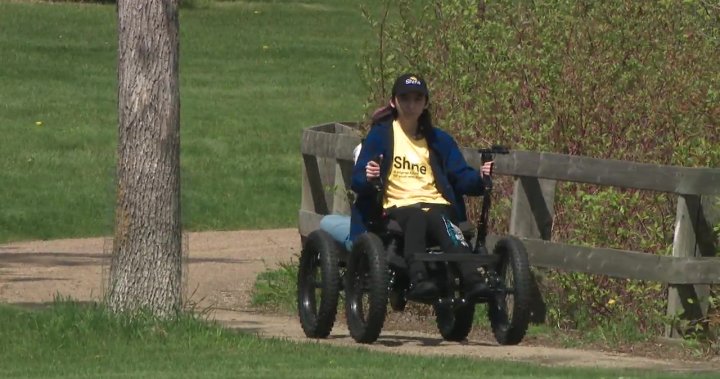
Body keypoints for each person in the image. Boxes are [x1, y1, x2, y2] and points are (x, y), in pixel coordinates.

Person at [350, 73, 493, 301]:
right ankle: (419, 279)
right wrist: (368, 176)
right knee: (416, 216)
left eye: (417, 99)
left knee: (444, 223)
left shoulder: (439, 140)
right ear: (393, 101)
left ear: (425, 103)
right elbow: (357, 178)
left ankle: (473, 280)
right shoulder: (380, 136)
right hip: (397, 204)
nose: (410, 105)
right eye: (404, 98)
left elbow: (460, 175)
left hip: (436, 203)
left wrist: (480, 178)